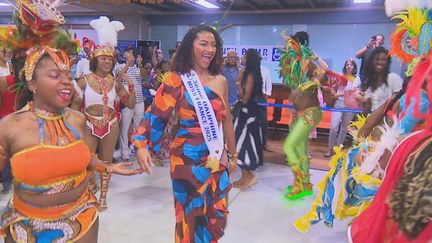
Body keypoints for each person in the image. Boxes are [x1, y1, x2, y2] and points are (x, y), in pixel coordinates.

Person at [0, 3, 141, 241]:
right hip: (27, 226)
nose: (67, 82)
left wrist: (106, 166)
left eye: (68, 74)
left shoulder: (76, 119)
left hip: (82, 220)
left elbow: (84, 158)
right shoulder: (10, 126)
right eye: (55, 76)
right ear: (32, 84)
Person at [133, 25, 237, 242]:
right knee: (189, 216)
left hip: (217, 159)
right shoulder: (176, 79)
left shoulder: (221, 81)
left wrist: (233, 154)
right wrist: (142, 144)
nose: (209, 49)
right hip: (186, 160)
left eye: (213, 45)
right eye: (203, 44)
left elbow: (226, 119)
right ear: (190, 47)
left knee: (215, 216)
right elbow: (157, 114)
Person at [73, 16, 136, 211]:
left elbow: (130, 104)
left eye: (110, 58)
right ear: (95, 60)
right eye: (103, 58)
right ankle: (89, 192)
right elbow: (74, 109)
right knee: (88, 163)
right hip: (90, 124)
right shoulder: (83, 81)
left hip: (111, 125)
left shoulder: (115, 83)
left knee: (107, 162)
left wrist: (130, 85)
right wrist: (77, 127)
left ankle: (103, 198)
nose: (107, 61)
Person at [280, 31, 329, 199]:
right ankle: (307, 183)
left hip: (310, 112)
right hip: (299, 112)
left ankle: (298, 183)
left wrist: (307, 84)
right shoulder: (294, 67)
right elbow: (294, 93)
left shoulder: (307, 63)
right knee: (301, 149)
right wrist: (292, 114)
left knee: (289, 146)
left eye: (291, 44)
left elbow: (325, 74)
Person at [233, 49, 264, 189]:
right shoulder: (249, 74)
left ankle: (248, 176)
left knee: (242, 145)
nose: (242, 57)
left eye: (244, 56)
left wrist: (239, 83)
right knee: (239, 144)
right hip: (246, 113)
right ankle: (244, 176)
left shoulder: (250, 76)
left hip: (248, 114)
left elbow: (245, 98)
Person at [324, 58, 362, 157]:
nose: (349, 66)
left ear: (354, 67)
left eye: (351, 65)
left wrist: (338, 94)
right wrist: (332, 91)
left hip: (350, 105)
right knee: (333, 127)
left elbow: (352, 92)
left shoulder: (357, 79)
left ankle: (338, 150)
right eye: (347, 64)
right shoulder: (340, 76)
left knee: (344, 128)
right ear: (345, 67)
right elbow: (334, 89)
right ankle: (330, 149)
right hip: (339, 104)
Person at [115, 46, 144, 161]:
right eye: (129, 53)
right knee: (125, 127)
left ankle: (135, 148)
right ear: (125, 54)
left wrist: (140, 65)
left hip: (140, 100)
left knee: (138, 127)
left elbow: (143, 76)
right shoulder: (120, 66)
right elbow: (119, 76)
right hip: (127, 101)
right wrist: (128, 64)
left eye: (133, 53)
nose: (132, 55)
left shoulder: (137, 67)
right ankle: (124, 151)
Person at [357, 47, 403, 113]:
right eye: (377, 59)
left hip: (387, 120)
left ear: (387, 62)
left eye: (383, 60)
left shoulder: (393, 78)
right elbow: (368, 107)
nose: (379, 62)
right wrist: (362, 99)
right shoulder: (370, 81)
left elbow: (400, 102)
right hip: (370, 119)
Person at [260, 64, 272, 153]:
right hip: (249, 97)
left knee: (263, 121)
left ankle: (264, 143)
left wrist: (266, 96)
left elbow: (268, 84)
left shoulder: (265, 69)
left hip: (261, 97)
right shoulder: (246, 69)